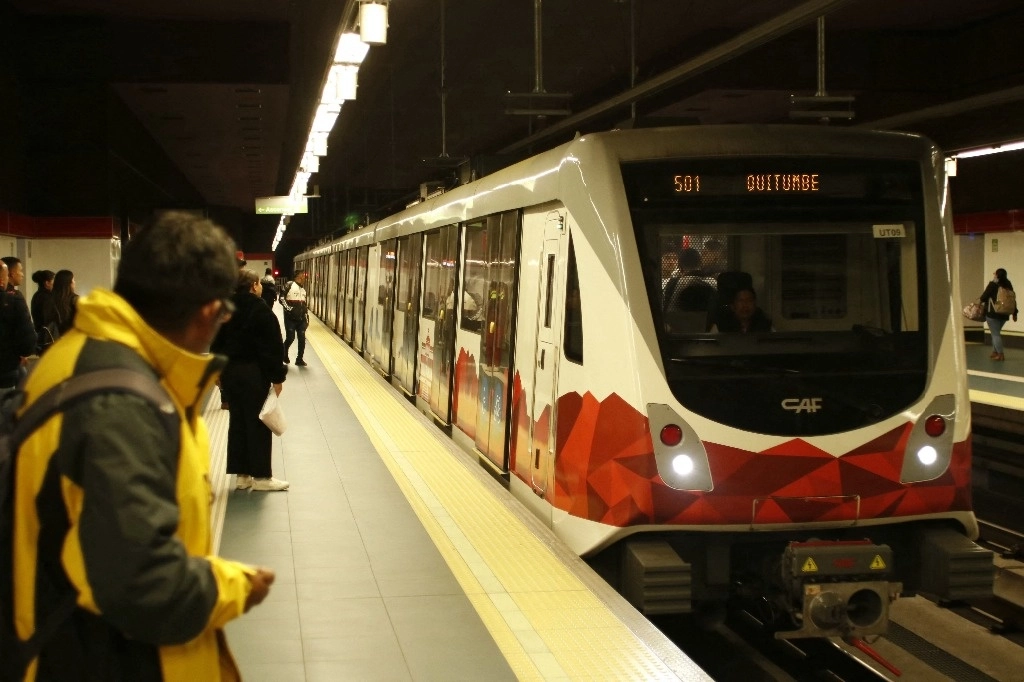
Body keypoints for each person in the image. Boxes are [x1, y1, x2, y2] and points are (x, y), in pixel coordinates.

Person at [10, 211, 275, 680]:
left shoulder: (79, 355)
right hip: (104, 661)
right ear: (208, 313)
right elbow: (145, 586)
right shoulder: (123, 405)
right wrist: (235, 586)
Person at [212, 269, 289, 491]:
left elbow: (215, 343)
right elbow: (272, 347)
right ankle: (263, 477)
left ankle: (242, 476)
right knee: (258, 423)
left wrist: (217, 372)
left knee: (237, 422)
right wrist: (277, 377)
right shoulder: (260, 310)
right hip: (254, 374)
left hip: (230, 373)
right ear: (255, 285)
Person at [0, 260, 35, 392]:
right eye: (20, 271)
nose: (22, 274)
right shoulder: (14, 300)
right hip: (6, 367)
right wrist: (24, 352)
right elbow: (26, 335)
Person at [980, 267, 1018, 361]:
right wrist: (1015, 313)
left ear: (997, 275)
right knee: (995, 333)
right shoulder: (1008, 284)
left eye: (995, 273)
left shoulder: (993, 284)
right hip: (1005, 314)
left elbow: (984, 297)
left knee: (995, 334)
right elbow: (1012, 300)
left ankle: (1000, 354)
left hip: (993, 313)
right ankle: (995, 352)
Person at [280, 270, 309, 366]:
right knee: (290, 338)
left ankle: (299, 359)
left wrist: (306, 316)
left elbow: (304, 304)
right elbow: (282, 298)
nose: (304, 278)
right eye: (302, 276)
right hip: (290, 318)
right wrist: (289, 309)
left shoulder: (303, 290)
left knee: (302, 338)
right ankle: (284, 354)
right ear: (298, 276)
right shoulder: (289, 285)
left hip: (301, 319)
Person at [30, 269, 58, 353]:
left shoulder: (37, 295)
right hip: (49, 339)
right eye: (54, 281)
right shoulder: (47, 298)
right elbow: (49, 318)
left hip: (42, 338)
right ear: (47, 283)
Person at [52, 268, 79, 335]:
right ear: (69, 283)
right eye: (73, 280)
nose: (74, 282)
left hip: (55, 339)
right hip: (71, 337)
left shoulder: (50, 299)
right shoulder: (75, 299)